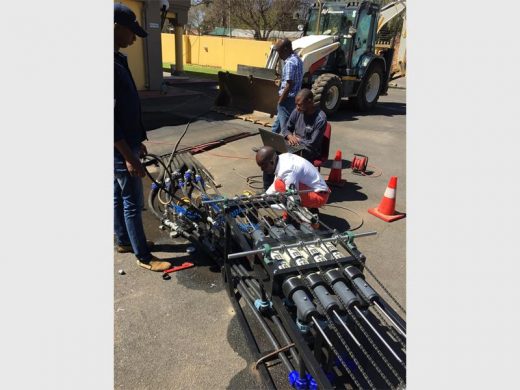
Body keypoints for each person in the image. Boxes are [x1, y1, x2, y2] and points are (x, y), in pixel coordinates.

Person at [114, 3, 171, 272]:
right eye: (131, 32)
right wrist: (129, 156)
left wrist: (138, 140)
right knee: (132, 202)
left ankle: (125, 240)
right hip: (119, 149)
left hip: (127, 143)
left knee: (118, 194)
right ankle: (144, 256)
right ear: (115, 28)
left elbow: (124, 107)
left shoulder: (117, 59)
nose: (134, 38)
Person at [256, 147, 330, 210]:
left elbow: (292, 200)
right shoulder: (281, 158)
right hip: (312, 189)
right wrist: (263, 198)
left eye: (264, 166)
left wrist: (269, 205)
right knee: (279, 184)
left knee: (282, 188)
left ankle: (293, 219)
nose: (262, 170)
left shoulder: (287, 171)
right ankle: (309, 209)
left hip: (319, 196)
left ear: (272, 162)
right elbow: (275, 183)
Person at [283, 88, 327, 163]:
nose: (297, 107)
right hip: (295, 145)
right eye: (296, 104)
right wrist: (290, 136)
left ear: (309, 102)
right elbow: (286, 129)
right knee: (271, 154)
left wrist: (297, 140)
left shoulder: (320, 119)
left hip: (310, 150)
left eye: (299, 105)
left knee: (288, 159)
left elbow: (312, 143)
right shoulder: (297, 111)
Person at [271, 38, 303, 135]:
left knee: (285, 129)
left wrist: (280, 101)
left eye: (279, 51)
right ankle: (269, 145)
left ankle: (285, 148)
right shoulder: (297, 59)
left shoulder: (290, 63)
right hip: (294, 98)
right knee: (276, 126)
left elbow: (289, 84)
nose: (278, 54)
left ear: (285, 49)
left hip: (287, 99)